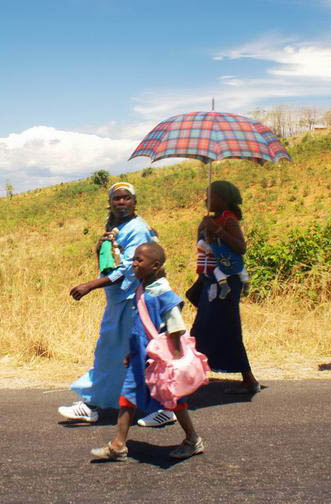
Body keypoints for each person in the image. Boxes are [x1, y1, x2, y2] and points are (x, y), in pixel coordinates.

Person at [60, 182, 173, 426]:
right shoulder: (117, 227)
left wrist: (90, 285)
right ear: (110, 203)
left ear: (134, 202)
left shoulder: (137, 229)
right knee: (120, 353)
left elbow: (129, 269)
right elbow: (112, 260)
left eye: (126, 198)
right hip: (119, 300)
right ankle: (101, 403)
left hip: (132, 301)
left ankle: (164, 406)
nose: (121, 202)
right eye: (116, 199)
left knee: (129, 353)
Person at [90, 242, 203, 461]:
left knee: (173, 399)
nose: (133, 264)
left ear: (155, 265)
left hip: (160, 359)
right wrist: (132, 352)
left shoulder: (163, 294)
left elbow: (175, 327)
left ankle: (192, 439)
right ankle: (118, 445)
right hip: (140, 356)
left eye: (139, 260)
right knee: (128, 396)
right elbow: (139, 327)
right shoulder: (142, 288)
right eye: (133, 259)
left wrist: (176, 362)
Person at [190, 181, 260, 394]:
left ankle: (249, 379)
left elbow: (241, 247)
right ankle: (194, 373)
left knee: (227, 327)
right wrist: (205, 229)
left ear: (222, 198)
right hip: (209, 279)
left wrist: (217, 230)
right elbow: (204, 246)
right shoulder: (210, 219)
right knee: (204, 328)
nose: (206, 200)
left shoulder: (229, 219)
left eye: (210, 195)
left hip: (226, 283)